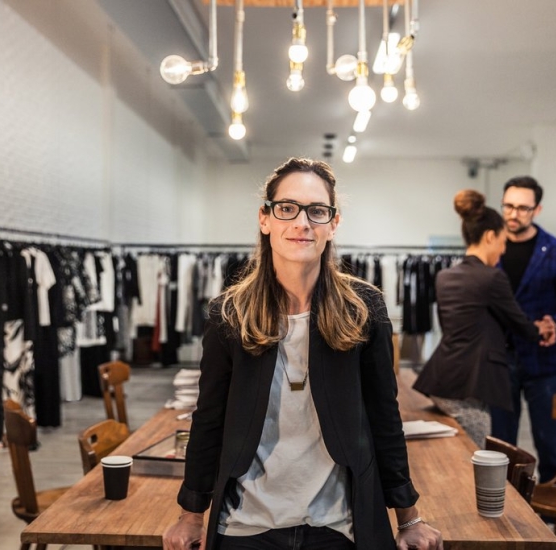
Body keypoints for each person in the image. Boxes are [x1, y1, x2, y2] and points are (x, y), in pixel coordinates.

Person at [163, 158, 443, 550]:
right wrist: (191, 513)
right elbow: (209, 417)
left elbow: (384, 416)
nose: (302, 222)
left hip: (339, 524)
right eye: (287, 208)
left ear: (333, 223)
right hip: (246, 524)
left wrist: (409, 517)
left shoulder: (363, 308)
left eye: (317, 210)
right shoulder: (230, 313)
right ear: (265, 219)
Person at [413, 190, 556, 449]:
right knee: (476, 455)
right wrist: (542, 330)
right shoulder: (491, 278)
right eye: (502, 241)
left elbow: (470, 323)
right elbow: (517, 322)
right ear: (490, 236)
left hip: (443, 377)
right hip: (470, 384)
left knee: (464, 453)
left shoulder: (445, 276)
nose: (502, 250)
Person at [490, 176, 556, 483]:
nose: (513, 214)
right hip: (500, 358)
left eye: (522, 207)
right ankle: (501, 510)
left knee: (550, 441)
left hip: (544, 362)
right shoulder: (490, 247)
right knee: (500, 444)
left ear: (537, 209)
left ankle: (551, 517)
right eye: (508, 206)